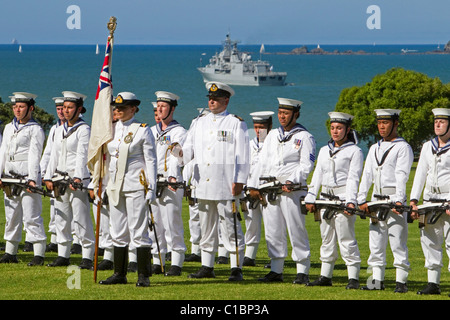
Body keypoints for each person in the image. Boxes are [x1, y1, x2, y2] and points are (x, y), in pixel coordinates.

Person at [180, 81, 249, 281]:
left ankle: (236, 267)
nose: (211, 102)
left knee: (230, 226)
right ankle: (206, 265)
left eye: (216, 99)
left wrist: (240, 180)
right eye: (210, 98)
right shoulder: (198, 122)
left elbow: (242, 156)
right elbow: (188, 151)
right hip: (203, 184)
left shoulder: (235, 123)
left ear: (225, 100)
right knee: (206, 225)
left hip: (226, 184)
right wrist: (178, 153)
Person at [248, 97, 316, 284]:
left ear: (296, 114)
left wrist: (291, 180)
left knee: (296, 229)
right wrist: (254, 186)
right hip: (270, 189)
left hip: (291, 190)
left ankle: (302, 270)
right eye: (280, 113)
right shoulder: (272, 135)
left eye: (286, 113)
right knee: (273, 230)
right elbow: (263, 162)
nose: (282, 117)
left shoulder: (304, 137)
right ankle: (276, 269)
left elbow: (306, 165)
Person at [99, 92, 157, 287]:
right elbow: (107, 161)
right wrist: (102, 184)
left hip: (135, 185)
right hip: (115, 186)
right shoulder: (111, 130)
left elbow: (151, 161)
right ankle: (119, 273)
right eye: (116, 108)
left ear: (133, 109)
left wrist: (152, 187)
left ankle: (143, 275)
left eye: (123, 108)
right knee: (117, 230)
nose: (118, 111)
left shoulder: (142, 130)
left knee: (139, 230)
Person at [304, 112, 363, 289]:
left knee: (346, 238)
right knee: (326, 239)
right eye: (332, 128)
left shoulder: (355, 151)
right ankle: (325, 276)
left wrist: (351, 201)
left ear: (347, 129)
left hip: (343, 198)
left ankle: (353, 277)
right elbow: (317, 176)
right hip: (325, 199)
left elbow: (354, 177)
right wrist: (311, 196)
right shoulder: (324, 150)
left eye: (339, 128)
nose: (335, 131)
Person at [357, 109, 413, 293]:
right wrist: (361, 198)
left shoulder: (403, 147)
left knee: (397, 242)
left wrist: (398, 199)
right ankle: (376, 281)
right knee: (376, 243)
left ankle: (401, 283)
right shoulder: (374, 148)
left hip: (394, 200)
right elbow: (367, 175)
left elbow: (402, 175)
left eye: (386, 122)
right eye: (379, 122)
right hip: (375, 200)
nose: (381, 126)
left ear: (395, 124)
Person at [44, 91, 95, 269]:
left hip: (76, 180)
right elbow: (53, 155)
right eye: (64, 107)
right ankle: (63, 254)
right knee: (61, 217)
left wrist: (79, 177)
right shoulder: (59, 129)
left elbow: (83, 155)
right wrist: (48, 176)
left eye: (70, 107)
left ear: (79, 109)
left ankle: (88, 255)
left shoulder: (84, 129)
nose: (65, 111)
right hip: (60, 178)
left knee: (81, 218)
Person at [0, 92, 47, 266]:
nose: (17, 110)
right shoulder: (8, 127)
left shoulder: (35, 129)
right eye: (15, 107)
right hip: (10, 178)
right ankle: (10, 252)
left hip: (27, 178)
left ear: (30, 108)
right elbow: (3, 153)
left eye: (21, 107)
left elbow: (35, 155)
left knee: (31, 217)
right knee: (11, 216)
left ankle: (38, 253)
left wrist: (33, 178)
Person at [410, 108, 450, 295]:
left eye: (442, 121)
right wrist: (413, 200)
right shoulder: (427, 146)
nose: (438, 124)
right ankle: (433, 283)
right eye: (436, 121)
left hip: (448, 199)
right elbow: (420, 174)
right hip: (429, 200)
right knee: (429, 241)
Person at [150, 91, 187, 276]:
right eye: (158, 106)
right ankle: (158, 259)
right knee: (155, 223)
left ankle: (177, 260)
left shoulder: (178, 131)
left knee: (172, 222)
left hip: (170, 183)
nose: (159, 109)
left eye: (163, 106)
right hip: (153, 183)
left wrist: (172, 176)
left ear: (172, 109)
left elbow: (176, 154)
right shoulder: (151, 130)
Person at [243, 111, 274, 266]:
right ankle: (250, 255)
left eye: (262, 127)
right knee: (251, 223)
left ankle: (274, 258)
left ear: (269, 127)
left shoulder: (274, 144)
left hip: (267, 190)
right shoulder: (249, 145)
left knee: (272, 226)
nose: (258, 130)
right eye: (255, 127)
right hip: (250, 189)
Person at [40, 97, 66, 253]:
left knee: (73, 212)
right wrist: (44, 173)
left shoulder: (83, 128)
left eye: (63, 108)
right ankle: (55, 239)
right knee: (54, 208)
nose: (61, 111)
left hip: (69, 174)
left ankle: (75, 241)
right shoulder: (55, 128)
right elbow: (48, 152)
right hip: (54, 173)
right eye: (58, 109)